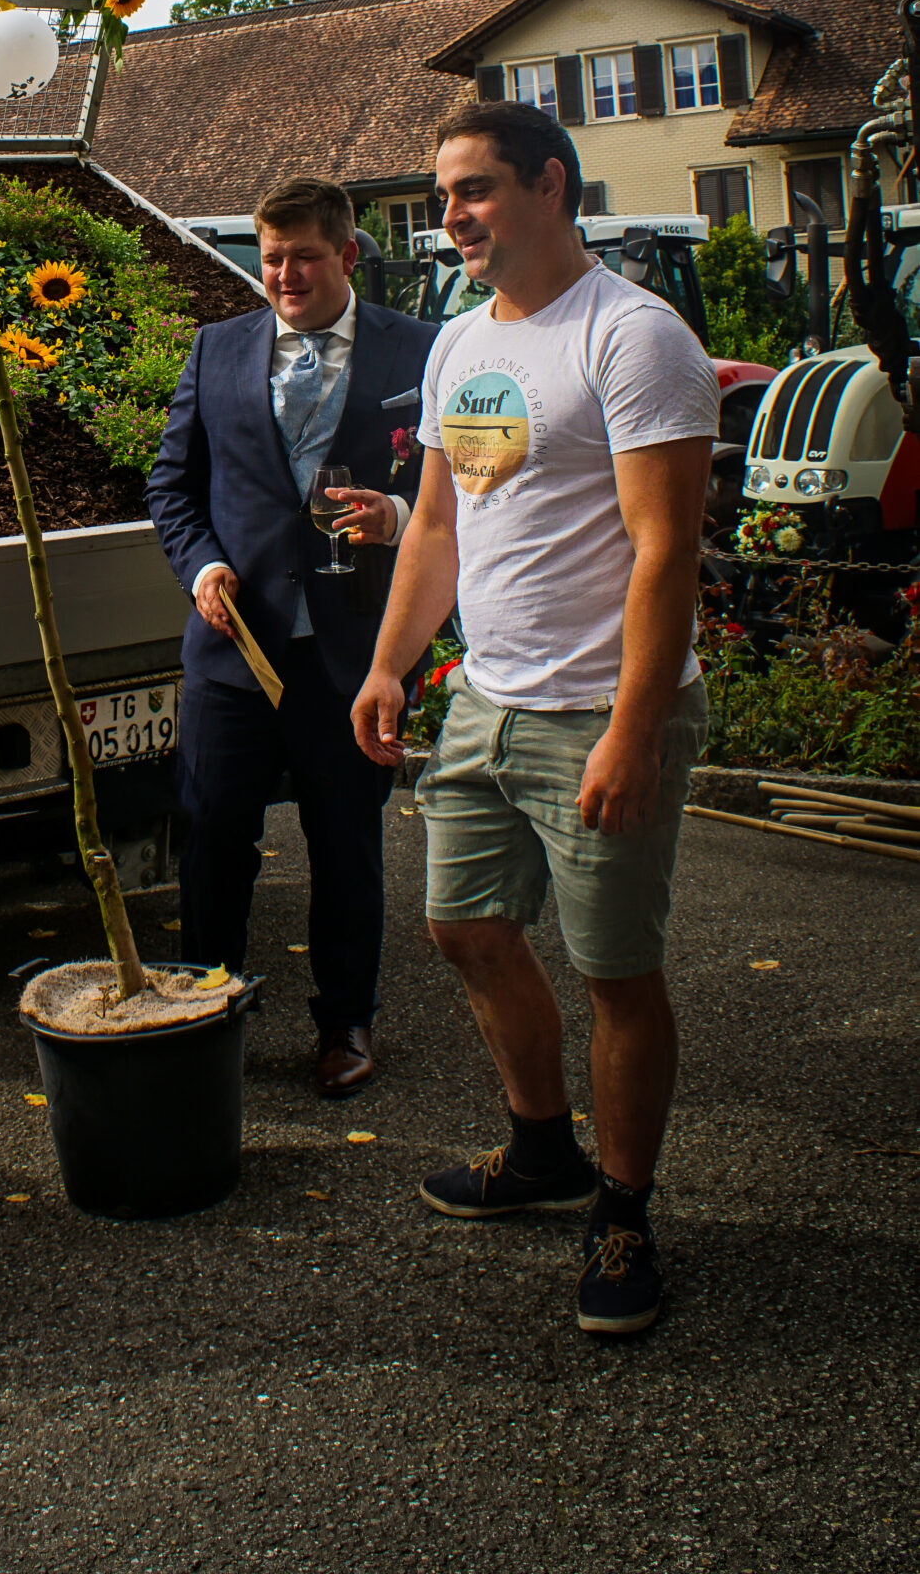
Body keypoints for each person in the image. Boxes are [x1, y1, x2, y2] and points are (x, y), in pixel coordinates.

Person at [352, 101, 720, 1337]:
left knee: (617, 971)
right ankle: (542, 1147)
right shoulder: (460, 342)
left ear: (551, 184)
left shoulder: (633, 335)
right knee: (463, 926)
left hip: (601, 710)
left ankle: (624, 1210)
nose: (451, 215)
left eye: (474, 189)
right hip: (487, 697)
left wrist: (633, 728)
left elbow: (667, 551)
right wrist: (393, 664)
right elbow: (440, 523)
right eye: (443, 195)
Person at [147, 177, 436, 1096]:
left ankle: (345, 1021)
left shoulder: (421, 350)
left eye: (303, 258)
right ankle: (204, 1012)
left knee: (346, 845)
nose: (284, 276)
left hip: (353, 654)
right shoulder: (216, 350)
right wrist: (201, 568)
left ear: (346, 255)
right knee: (211, 840)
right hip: (236, 654)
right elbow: (171, 488)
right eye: (271, 260)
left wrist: (395, 515)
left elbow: (456, 489)